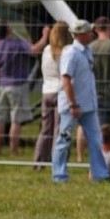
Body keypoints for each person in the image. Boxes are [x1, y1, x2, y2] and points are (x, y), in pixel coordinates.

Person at [51, 20, 110, 183]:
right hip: (73, 105)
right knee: (64, 140)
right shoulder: (71, 53)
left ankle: (100, 174)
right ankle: (59, 175)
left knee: (96, 139)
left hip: (88, 104)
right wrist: (73, 104)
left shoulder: (87, 51)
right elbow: (66, 80)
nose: (92, 34)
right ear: (80, 35)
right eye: (88, 32)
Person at [0, 22, 49, 156]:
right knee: (16, 121)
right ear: (8, 30)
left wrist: (0, 77)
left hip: (2, 85)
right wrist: (44, 37)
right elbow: (34, 50)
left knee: (0, 120)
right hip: (17, 86)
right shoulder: (16, 44)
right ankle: (13, 150)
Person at [33, 21, 72, 170]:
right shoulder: (67, 52)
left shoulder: (46, 50)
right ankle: (57, 161)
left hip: (46, 91)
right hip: (60, 92)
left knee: (45, 130)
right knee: (59, 130)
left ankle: (38, 161)